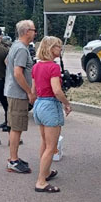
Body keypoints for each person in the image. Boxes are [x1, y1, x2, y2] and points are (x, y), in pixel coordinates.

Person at [31, 36, 72, 193]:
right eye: (58, 47)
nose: (60, 50)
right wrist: (66, 103)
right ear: (51, 49)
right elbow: (56, 90)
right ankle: (41, 181)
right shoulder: (53, 67)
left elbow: (34, 91)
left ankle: (45, 172)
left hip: (39, 104)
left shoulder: (36, 67)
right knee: (51, 146)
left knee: (44, 143)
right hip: (49, 105)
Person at [4, 20, 37, 173]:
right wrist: (29, 91)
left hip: (12, 91)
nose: (35, 32)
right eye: (33, 29)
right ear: (26, 32)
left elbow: (6, 62)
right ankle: (13, 160)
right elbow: (18, 73)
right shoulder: (22, 50)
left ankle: (14, 157)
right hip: (18, 94)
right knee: (17, 127)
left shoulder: (15, 46)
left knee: (15, 126)